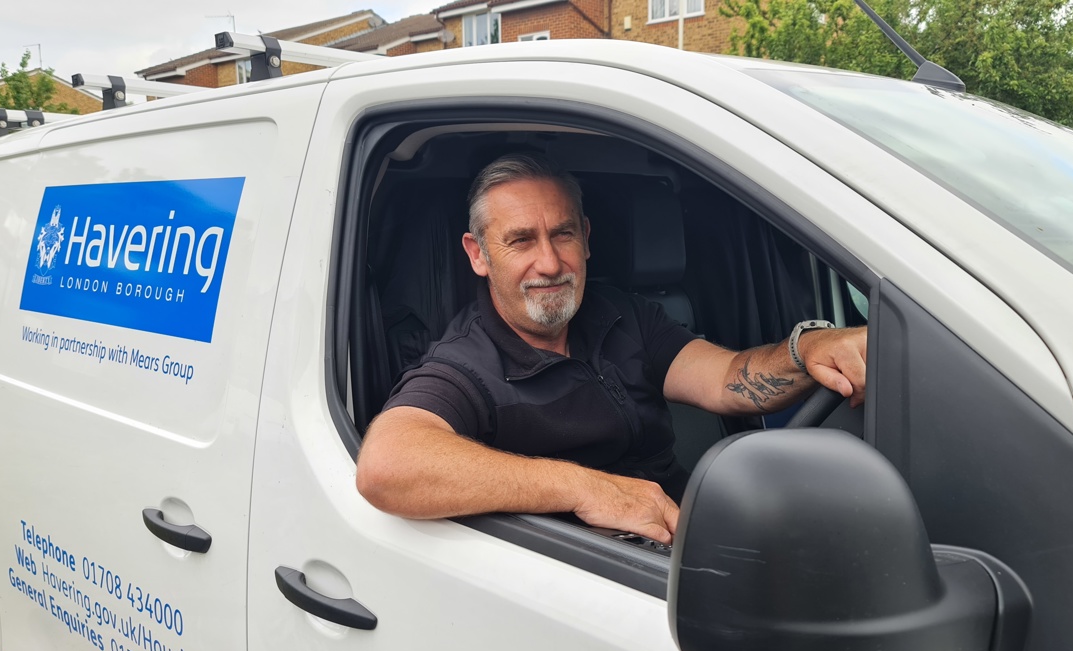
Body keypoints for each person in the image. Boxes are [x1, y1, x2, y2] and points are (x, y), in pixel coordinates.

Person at [356, 154, 867, 544]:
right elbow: (387, 464)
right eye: (521, 241)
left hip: (697, 538)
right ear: (479, 255)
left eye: (563, 234)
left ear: (587, 238)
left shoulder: (622, 313)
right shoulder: (467, 363)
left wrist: (809, 347)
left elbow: (728, 378)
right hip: (601, 580)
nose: (551, 263)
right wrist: (587, 488)